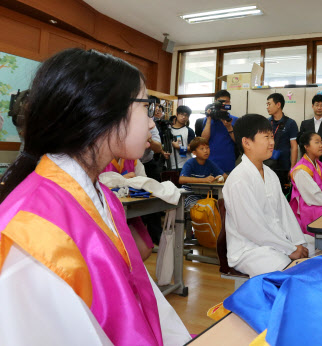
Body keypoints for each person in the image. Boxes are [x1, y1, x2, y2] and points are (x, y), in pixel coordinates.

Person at [0, 48, 190, 345]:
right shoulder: (32, 231)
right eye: (146, 107)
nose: (153, 123)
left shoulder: (101, 194)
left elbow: (137, 298)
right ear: (105, 111)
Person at [223, 114, 313, 277]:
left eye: (272, 136)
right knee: (289, 268)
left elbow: (285, 214)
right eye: (266, 137)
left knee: (314, 248)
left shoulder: (270, 173)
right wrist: (290, 249)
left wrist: (297, 243)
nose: (272, 142)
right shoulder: (239, 179)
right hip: (249, 249)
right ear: (247, 142)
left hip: (275, 241)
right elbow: (251, 228)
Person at [100, 158, 154, 261]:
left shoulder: (133, 159)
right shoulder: (98, 156)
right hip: (105, 214)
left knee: (144, 249)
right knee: (115, 253)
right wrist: (123, 179)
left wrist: (126, 181)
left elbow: (144, 181)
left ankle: (129, 275)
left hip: (130, 212)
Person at [289, 131, 322, 235]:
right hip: (310, 206)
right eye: (317, 142)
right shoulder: (301, 170)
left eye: (321, 142)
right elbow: (313, 197)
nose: (321, 146)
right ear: (306, 146)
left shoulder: (320, 165)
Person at [179, 137, 227, 211]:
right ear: (194, 152)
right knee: (207, 209)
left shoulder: (210, 163)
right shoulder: (190, 163)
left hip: (206, 197)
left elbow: (225, 176)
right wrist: (204, 180)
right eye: (202, 149)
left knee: (220, 207)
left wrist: (221, 178)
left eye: (207, 148)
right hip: (190, 197)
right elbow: (181, 179)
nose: (206, 151)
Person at [266, 93, 299, 193]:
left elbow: (294, 147)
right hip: (268, 166)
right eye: (266, 104)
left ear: (278, 105)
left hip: (284, 167)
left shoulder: (290, 123)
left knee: (284, 196)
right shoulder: (266, 123)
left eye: (269, 104)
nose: (267, 107)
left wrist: (292, 168)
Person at [299, 94, 322, 178]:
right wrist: (311, 155)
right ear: (312, 106)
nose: (319, 108)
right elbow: (301, 142)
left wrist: (317, 155)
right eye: (317, 105)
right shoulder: (305, 124)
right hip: (307, 161)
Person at [201, 90, 239, 173]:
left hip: (228, 162)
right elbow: (203, 140)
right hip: (210, 161)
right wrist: (208, 119)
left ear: (230, 102)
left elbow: (238, 141)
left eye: (227, 102)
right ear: (215, 103)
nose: (224, 104)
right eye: (221, 102)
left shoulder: (235, 120)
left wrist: (229, 128)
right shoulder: (207, 119)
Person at [169, 105, 195, 171]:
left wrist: (179, 148)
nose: (184, 117)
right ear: (177, 114)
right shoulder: (168, 130)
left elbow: (192, 148)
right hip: (170, 164)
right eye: (181, 114)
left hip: (185, 164)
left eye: (186, 115)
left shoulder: (189, 131)